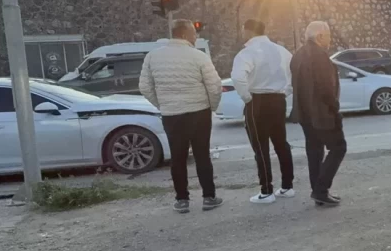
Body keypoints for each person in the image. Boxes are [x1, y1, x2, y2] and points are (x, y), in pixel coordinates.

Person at [139, 20, 223, 214]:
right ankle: (209, 197)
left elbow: (144, 87)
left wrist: (162, 104)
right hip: (198, 112)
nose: (196, 37)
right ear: (185, 35)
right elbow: (214, 85)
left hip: (171, 115)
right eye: (194, 33)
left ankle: (182, 199)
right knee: (202, 155)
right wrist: (212, 106)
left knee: (178, 157)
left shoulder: (153, 56)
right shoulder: (198, 56)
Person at [231, 18, 295, 204]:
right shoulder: (282, 51)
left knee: (260, 147)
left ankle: (267, 191)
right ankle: (287, 186)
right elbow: (293, 76)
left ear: (248, 30)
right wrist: (285, 92)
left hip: (257, 100)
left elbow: (238, 78)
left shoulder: (247, 53)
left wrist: (247, 98)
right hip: (278, 99)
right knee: (281, 143)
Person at [290, 21, 347, 207]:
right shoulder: (320, 56)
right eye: (328, 35)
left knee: (314, 152)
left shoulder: (297, 55)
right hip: (322, 113)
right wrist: (334, 107)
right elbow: (325, 88)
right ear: (320, 36)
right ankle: (321, 190)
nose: (330, 40)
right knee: (338, 148)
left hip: (304, 114)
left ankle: (318, 192)